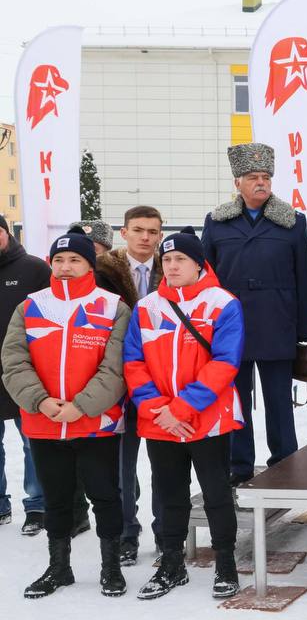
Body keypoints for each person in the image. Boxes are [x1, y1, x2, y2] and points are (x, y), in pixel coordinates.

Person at [1, 229, 130, 598]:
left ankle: (111, 568)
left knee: (104, 496)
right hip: (44, 422)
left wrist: (81, 406)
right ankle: (59, 567)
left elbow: (116, 367)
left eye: (75, 260)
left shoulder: (112, 306)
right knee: (56, 499)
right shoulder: (31, 306)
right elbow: (13, 360)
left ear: (90, 264)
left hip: (95, 422)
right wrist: (40, 401)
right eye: (59, 260)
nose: (65, 267)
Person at [124, 227, 245, 600]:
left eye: (181, 260)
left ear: (198, 264)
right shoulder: (147, 307)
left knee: (216, 493)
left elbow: (225, 363)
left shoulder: (222, 303)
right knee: (170, 495)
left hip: (207, 419)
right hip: (160, 421)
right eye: (168, 260)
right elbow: (133, 361)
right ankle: (172, 564)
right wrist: (158, 409)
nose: (173, 266)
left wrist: (181, 408)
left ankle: (226, 564)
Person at [203, 142, 307, 485]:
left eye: (265, 176)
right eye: (252, 177)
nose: (261, 183)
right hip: (230, 328)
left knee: (279, 401)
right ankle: (239, 468)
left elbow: (304, 278)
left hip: (276, 323)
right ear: (237, 182)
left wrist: (302, 330)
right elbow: (206, 277)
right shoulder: (217, 222)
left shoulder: (292, 222)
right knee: (235, 400)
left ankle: (285, 463)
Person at [103, 205, 165, 565]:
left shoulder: (173, 268)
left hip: (160, 381)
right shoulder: (104, 272)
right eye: (138, 230)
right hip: (117, 380)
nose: (146, 237)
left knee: (164, 464)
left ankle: (164, 531)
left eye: (153, 231)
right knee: (122, 466)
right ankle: (127, 532)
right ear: (123, 233)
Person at [0, 214, 52, 534]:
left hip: (26, 372)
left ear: (6, 233)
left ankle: (36, 505)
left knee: (32, 441)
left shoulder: (34, 269)